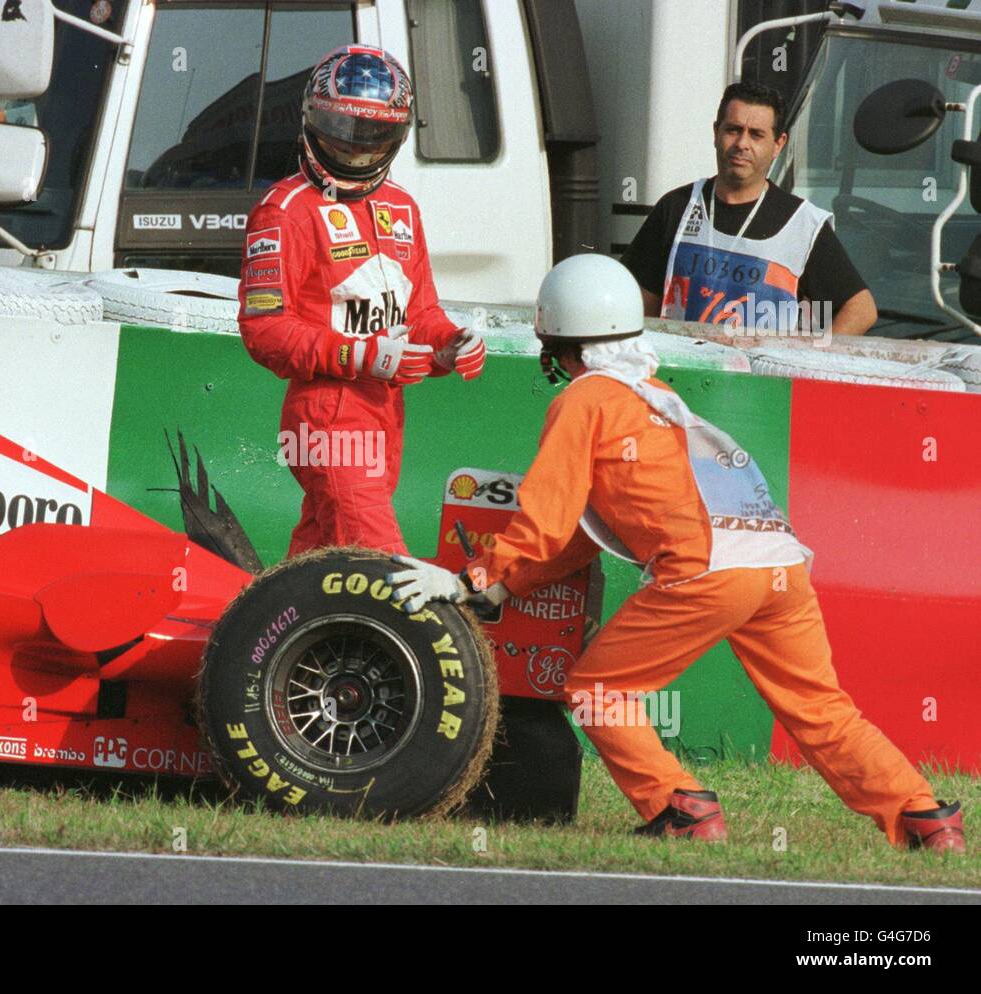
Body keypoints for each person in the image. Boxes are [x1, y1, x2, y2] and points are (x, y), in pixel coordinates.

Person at [387, 254, 964, 852]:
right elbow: (585, 531)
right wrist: (506, 587)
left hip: (707, 573)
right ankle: (924, 817)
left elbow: (546, 519)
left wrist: (468, 578)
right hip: (780, 565)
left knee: (597, 691)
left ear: (561, 347)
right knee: (822, 710)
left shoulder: (585, 400)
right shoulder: (658, 397)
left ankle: (679, 808)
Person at [237, 45, 484, 557]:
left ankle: (267, 628)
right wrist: (358, 354)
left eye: (370, 135)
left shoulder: (402, 207)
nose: (353, 148)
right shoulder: (283, 211)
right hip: (326, 412)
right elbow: (264, 329)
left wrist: (449, 342)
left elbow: (420, 314)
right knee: (381, 567)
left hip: (385, 411)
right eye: (340, 128)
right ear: (311, 118)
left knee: (320, 558)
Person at [622, 81, 877, 337]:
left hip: (758, 375)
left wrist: (809, 362)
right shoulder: (676, 207)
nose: (742, 143)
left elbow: (860, 310)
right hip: (680, 372)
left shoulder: (803, 225)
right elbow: (638, 304)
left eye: (756, 134)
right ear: (716, 132)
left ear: (778, 144)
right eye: (733, 130)